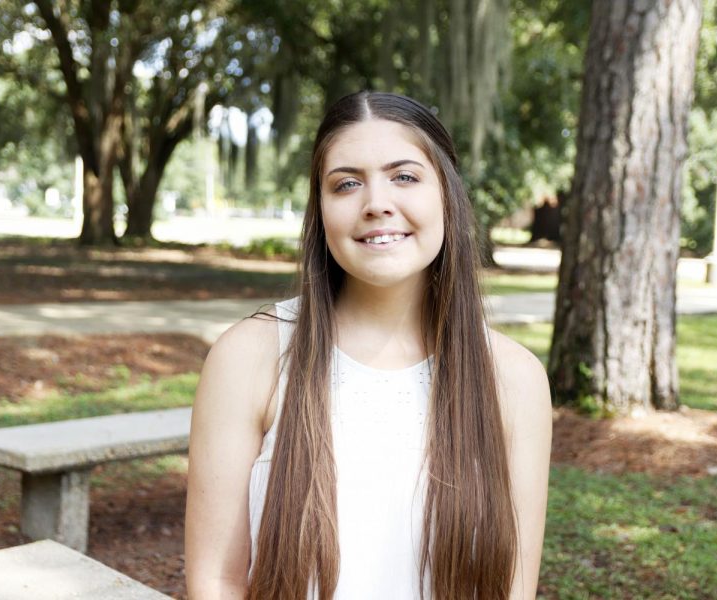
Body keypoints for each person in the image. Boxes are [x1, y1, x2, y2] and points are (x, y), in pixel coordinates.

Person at [185, 91, 552, 599]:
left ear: (445, 193)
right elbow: (217, 581)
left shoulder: (513, 378)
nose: (376, 202)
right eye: (347, 184)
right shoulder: (252, 356)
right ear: (321, 211)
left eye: (404, 176)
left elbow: (513, 589)